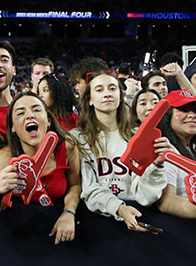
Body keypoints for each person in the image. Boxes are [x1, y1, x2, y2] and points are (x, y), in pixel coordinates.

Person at [0, 92, 81, 245]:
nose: (30, 115)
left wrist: (69, 213)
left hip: (58, 229)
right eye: (20, 113)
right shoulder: (5, 157)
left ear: (48, 121)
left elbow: (76, 185)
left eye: (36, 110)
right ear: (13, 128)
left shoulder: (67, 147)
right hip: (19, 238)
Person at [70, 71, 169, 231]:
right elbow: (89, 189)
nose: (107, 93)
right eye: (99, 90)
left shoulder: (139, 135)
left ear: (121, 96)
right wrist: (119, 209)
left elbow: (146, 195)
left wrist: (157, 166)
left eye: (112, 88)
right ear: (89, 100)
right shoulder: (77, 138)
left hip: (140, 215)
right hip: (100, 222)